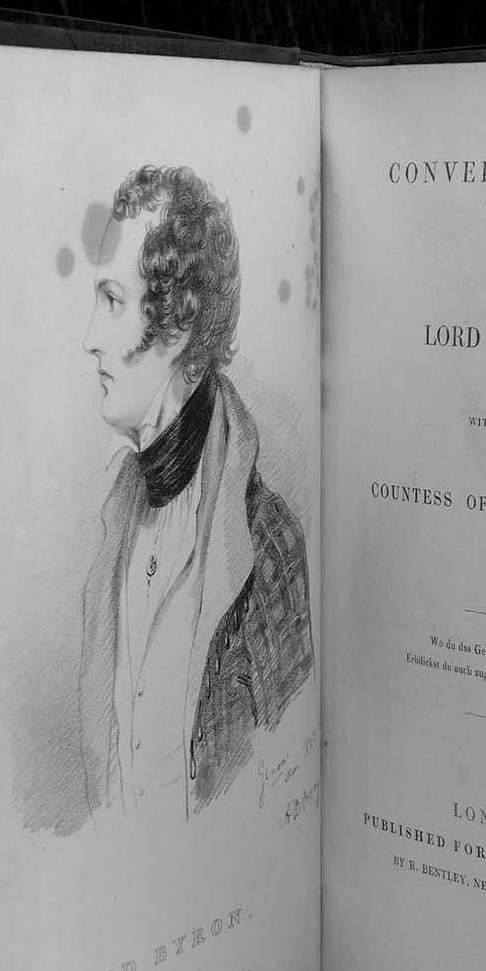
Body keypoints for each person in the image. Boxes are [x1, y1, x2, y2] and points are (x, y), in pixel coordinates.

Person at [79, 165, 313, 822]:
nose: (89, 339)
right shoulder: (114, 529)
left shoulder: (270, 545)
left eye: (112, 301)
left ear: (178, 322)